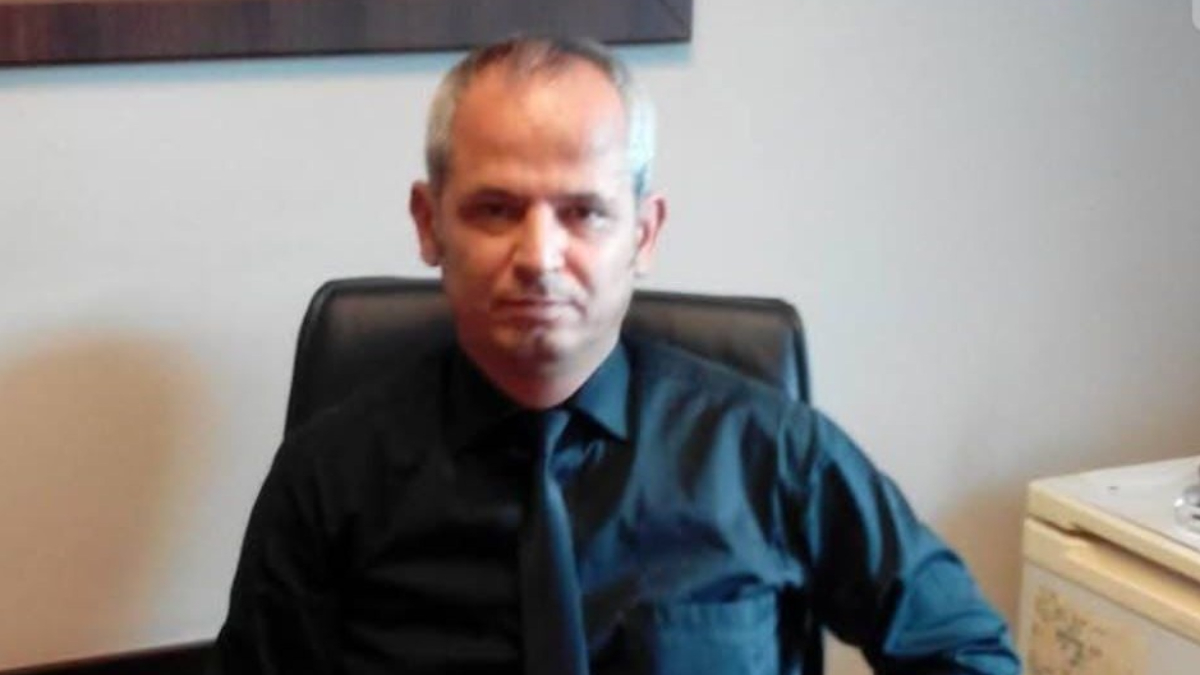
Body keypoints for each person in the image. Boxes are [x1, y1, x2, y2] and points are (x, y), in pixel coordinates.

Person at [213, 37, 1019, 675]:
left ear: (644, 232)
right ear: (429, 224)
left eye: (584, 212)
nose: (539, 256)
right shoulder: (326, 477)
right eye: (495, 209)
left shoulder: (774, 454)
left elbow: (968, 654)